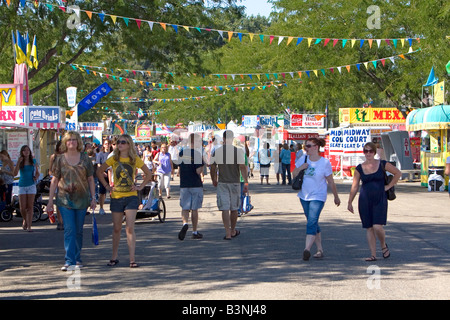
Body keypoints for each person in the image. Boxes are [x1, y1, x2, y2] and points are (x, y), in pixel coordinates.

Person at [97, 134, 153, 268]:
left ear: (129, 144)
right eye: (118, 142)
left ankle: (132, 259)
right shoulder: (113, 158)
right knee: (116, 228)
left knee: (129, 228)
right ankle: (114, 256)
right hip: (116, 196)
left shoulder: (134, 159)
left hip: (131, 196)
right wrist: (107, 186)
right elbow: (99, 171)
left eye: (123, 142)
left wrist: (140, 186)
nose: (119, 144)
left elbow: (149, 173)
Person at [47, 131, 97, 271]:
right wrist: (50, 201)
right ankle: (69, 260)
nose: (72, 142)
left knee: (79, 230)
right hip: (64, 199)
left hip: (81, 199)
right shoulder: (60, 159)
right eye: (69, 140)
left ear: (78, 142)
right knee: (70, 229)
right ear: (65, 142)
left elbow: (90, 179)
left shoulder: (85, 158)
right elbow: (55, 180)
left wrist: (94, 198)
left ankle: (77, 257)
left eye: (74, 140)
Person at [348, 142, 401, 261]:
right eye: (365, 151)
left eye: (370, 151)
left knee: (377, 226)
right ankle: (373, 255)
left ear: (374, 152)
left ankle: (383, 245)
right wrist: (349, 202)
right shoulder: (359, 168)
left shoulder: (382, 164)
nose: (368, 153)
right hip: (365, 199)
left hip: (379, 199)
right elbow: (355, 186)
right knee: (369, 227)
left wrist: (389, 186)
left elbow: (398, 173)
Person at [292, 138, 340, 261]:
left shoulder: (324, 163)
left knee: (311, 222)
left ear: (316, 147)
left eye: (308, 146)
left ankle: (306, 249)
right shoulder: (303, 159)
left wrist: (336, 196)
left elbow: (330, 181)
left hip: (318, 196)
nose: (306, 148)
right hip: (304, 195)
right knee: (312, 221)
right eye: (305, 146)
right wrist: (301, 167)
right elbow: (294, 174)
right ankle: (320, 249)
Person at [210, 130, 248, 240]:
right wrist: (246, 182)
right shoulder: (238, 151)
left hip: (222, 182)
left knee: (225, 208)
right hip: (235, 182)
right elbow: (242, 167)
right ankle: (233, 230)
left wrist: (214, 179)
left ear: (224, 139)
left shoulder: (217, 152)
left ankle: (227, 232)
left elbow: (213, 167)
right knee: (234, 208)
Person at [176, 133, 205, 240]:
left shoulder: (182, 153)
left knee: (185, 207)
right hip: (195, 184)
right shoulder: (197, 154)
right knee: (194, 208)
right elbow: (198, 171)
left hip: (184, 183)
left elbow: (179, 168)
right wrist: (202, 166)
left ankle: (184, 224)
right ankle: (194, 231)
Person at [13, 145, 39, 232]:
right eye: (24, 150)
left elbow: (37, 173)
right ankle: (25, 219)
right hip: (22, 185)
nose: (26, 152)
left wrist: (36, 176)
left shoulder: (33, 161)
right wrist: (18, 163)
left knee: (30, 206)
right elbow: (14, 173)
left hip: (31, 185)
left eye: (28, 150)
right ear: (22, 152)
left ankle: (29, 226)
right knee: (22, 207)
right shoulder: (20, 162)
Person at [49, 141, 64, 230]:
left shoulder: (67, 156)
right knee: (59, 202)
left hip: (65, 182)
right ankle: (60, 221)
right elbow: (50, 170)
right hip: (57, 181)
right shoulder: (53, 157)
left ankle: (65, 220)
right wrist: (53, 175)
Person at [96, 139, 111, 215]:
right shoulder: (100, 154)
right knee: (102, 192)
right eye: (106, 143)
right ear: (103, 145)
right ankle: (101, 208)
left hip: (111, 175)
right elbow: (98, 164)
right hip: (103, 175)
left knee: (112, 191)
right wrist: (102, 172)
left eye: (108, 143)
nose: (107, 145)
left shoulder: (112, 154)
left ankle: (114, 207)